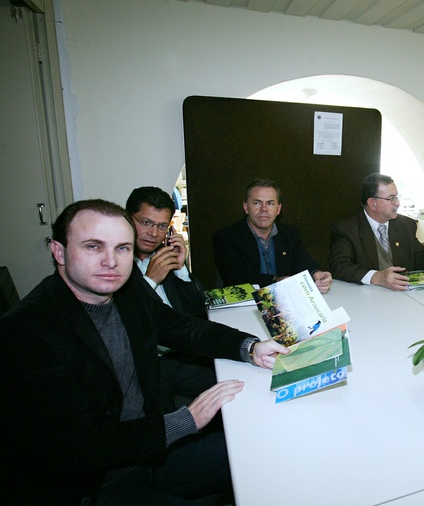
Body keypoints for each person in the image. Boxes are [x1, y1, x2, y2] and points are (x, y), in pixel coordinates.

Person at [0, 199, 287, 504]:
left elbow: (181, 327)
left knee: (268, 452)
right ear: (59, 251)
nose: (111, 262)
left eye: (122, 248)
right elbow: (73, 447)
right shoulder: (25, 331)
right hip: (93, 484)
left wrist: (249, 347)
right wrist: (185, 420)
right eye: (93, 247)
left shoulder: (127, 290)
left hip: (149, 454)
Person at [127, 186, 215, 414]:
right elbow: (126, 324)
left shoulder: (164, 255)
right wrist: (150, 282)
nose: (153, 233)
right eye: (145, 223)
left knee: (238, 384)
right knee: (161, 424)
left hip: (183, 355)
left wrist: (181, 270)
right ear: (128, 219)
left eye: (162, 226)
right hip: (146, 364)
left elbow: (197, 310)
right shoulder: (115, 262)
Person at [329, 172, 424, 290]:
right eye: (391, 198)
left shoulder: (406, 225)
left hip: (401, 300)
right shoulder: (346, 229)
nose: (398, 203)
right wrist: (377, 277)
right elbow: (339, 266)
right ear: (372, 203)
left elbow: (420, 260)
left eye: (397, 197)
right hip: (365, 299)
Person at [213, 178, 332, 292]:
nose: (264, 209)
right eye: (257, 203)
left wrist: (316, 273)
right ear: (246, 207)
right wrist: (276, 280)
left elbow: (302, 260)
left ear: (278, 209)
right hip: (244, 305)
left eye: (270, 203)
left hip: (283, 303)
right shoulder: (226, 237)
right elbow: (236, 277)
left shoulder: (290, 234)